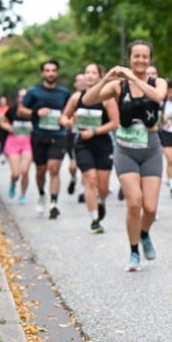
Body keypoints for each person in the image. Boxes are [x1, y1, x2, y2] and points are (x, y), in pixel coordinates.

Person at [82, 40, 167, 272]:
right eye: (136, 56)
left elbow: (157, 97)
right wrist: (106, 78)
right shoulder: (119, 87)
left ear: (150, 59)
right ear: (129, 57)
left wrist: (134, 77)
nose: (140, 60)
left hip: (150, 148)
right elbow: (88, 99)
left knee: (150, 208)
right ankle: (133, 251)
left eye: (144, 57)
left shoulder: (157, 82)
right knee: (134, 203)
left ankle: (145, 233)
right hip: (125, 149)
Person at [62, 64, 119, 233]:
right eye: (87, 72)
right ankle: (94, 219)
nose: (90, 75)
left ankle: (101, 202)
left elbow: (115, 123)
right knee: (90, 179)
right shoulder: (76, 98)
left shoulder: (107, 99)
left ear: (100, 77)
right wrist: (67, 122)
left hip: (103, 145)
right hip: (82, 144)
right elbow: (64, 117)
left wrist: (94, 132)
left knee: (103, 187)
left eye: (94, 73)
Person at [19, 60, 72, 219]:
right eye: (47, 70)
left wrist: (66, 120)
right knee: (40, 171)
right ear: (43, 73)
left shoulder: (64, 93)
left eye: (53, 70)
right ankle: (42, 193)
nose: (50, 73)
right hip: (39, 136)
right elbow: (21, 110)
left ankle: (54, 203)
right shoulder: (34, 92)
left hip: (58, 135)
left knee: (54, 169)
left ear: (57, 73)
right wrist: (35, 112)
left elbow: (71, 112)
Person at [0, 88, 32, 204]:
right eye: (20, 96)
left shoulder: (32, 110)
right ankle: (13, 183)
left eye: (25, 96)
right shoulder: (12, 110)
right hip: (13, 141)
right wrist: (9, 128)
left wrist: (34, 128)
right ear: (17, 98)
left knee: (25, 171)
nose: (23, 98)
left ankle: (23, 195)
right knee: (16, 173)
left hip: (28, 142)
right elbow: (2, 122)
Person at [65, 71, 87, 199]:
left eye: (84, 79)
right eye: (79, 80)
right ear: (75, 84)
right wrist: (72, 120)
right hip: (73, 134)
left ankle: (83, 191)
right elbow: (64, 117)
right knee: (73, 165)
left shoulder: (95, 96)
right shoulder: (73, 98)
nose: (82, 82)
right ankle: (73, 178)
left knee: (85, 164)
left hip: (89, 135)